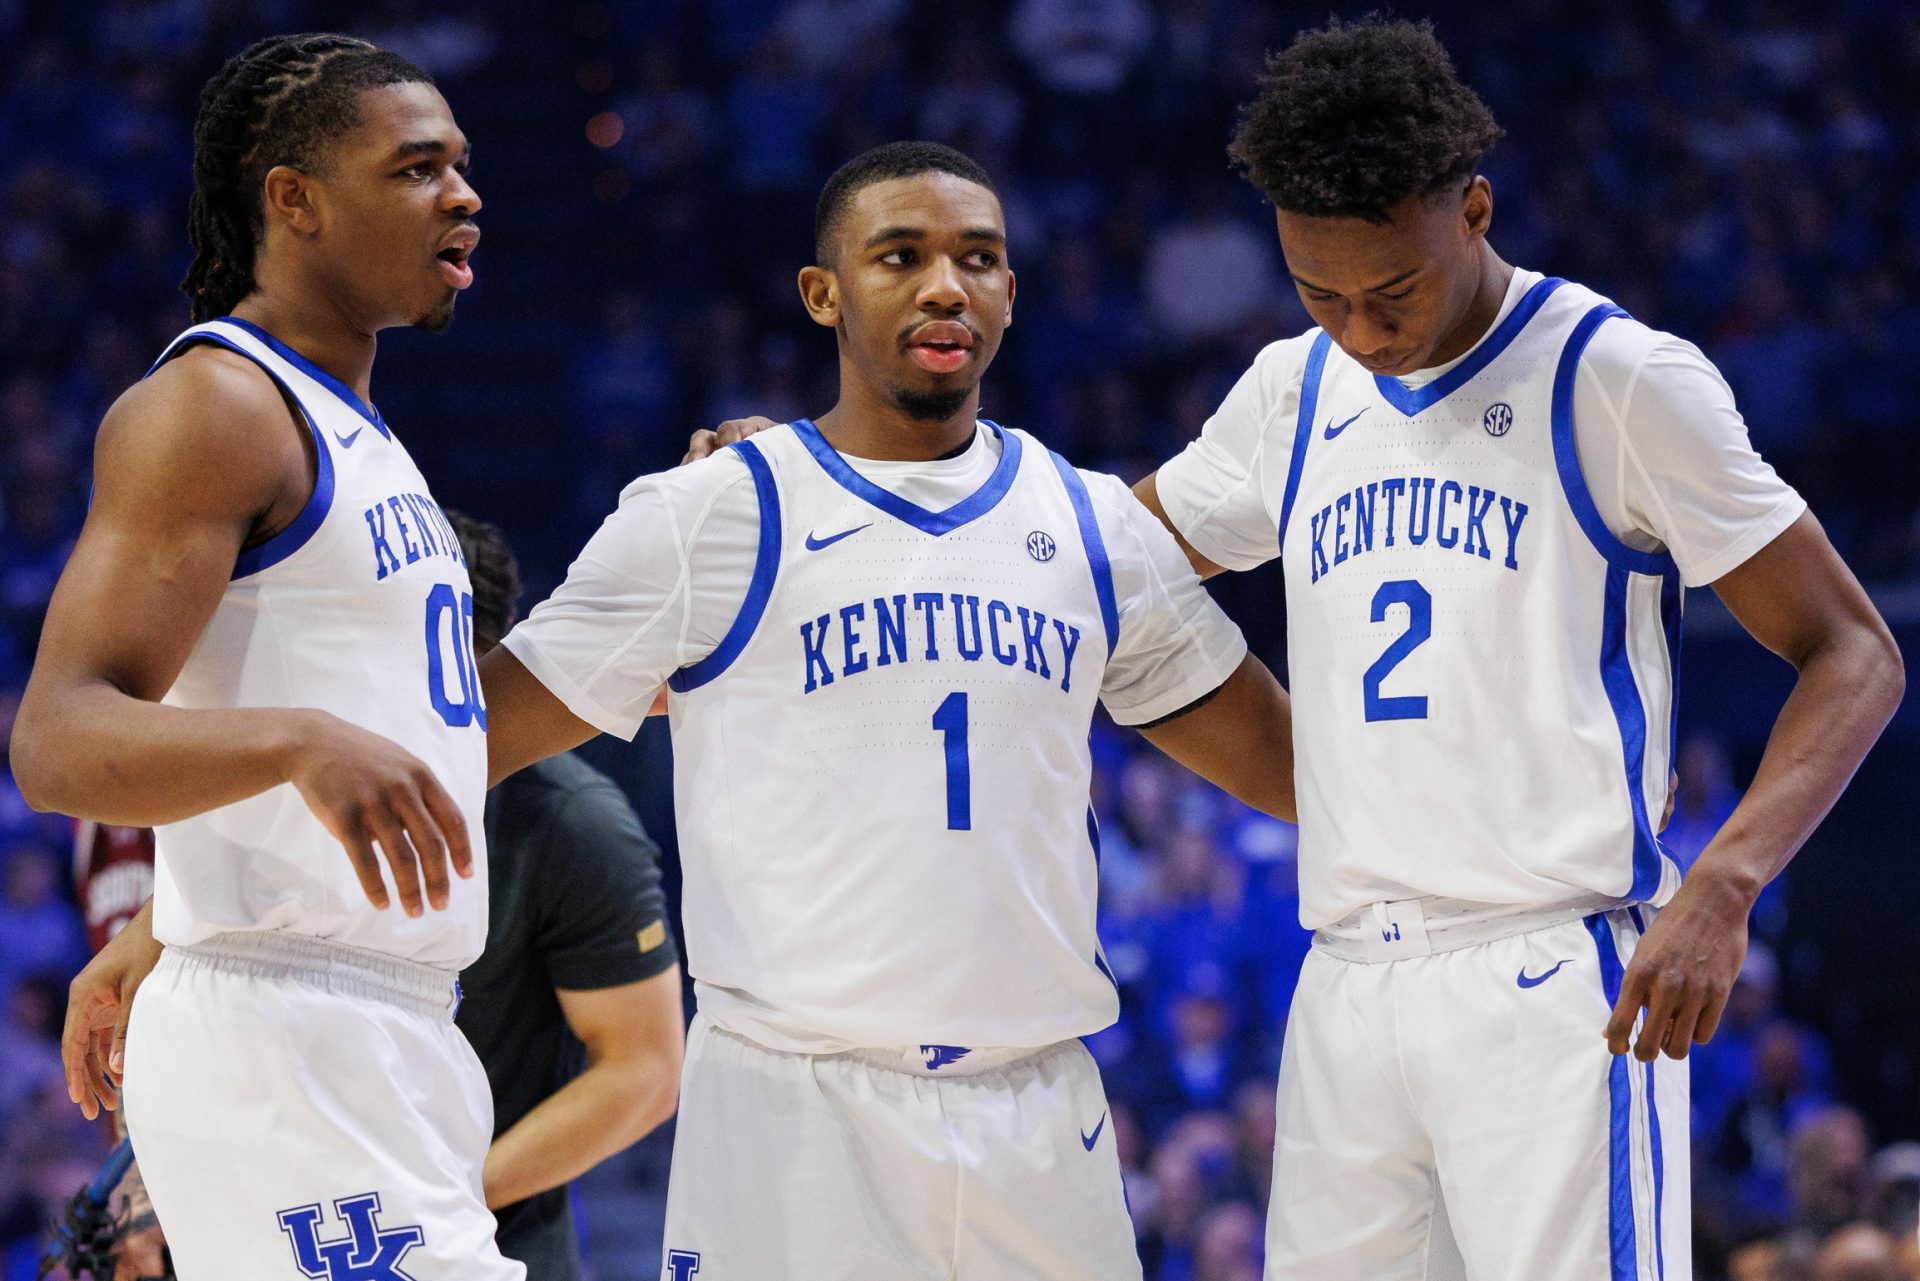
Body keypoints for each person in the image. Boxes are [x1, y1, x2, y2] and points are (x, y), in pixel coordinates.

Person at [1127, 18, 1903, 1280]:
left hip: (1555, 975)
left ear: (1474, 208)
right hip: (1346, 983)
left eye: (1394, 292)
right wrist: (835, 487)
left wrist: (1725, 880)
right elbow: (1097, 560)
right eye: (1324, 296)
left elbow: (1855, 651)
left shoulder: (1618, 379)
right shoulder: (1293, 388)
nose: (1365, 332)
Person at [478, 140, 1296, 1279]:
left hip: (1037, 1108)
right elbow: (460, 742)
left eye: (979, 258)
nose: (944, 286)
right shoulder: (712, 514)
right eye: (899, 256)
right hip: (792, 1109)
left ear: (1012, 292)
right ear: (823, 293)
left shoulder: (1094, 524)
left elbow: (1300, 773)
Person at [15, 33, 519, 1280]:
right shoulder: (220, 408)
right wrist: (295, 745)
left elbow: (434, 739)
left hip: (380, 1029)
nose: (462, 195)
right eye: (414, 170)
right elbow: (59, 739)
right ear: (291, 200)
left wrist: (660, 613)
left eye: (461, 167)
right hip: (288, 1041)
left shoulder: (360, 427)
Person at [446, 510, 686, 1278]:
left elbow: (645, 1071)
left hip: (493, 1245)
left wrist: (450, 1195)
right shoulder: (301, 792)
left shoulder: (571, 823)